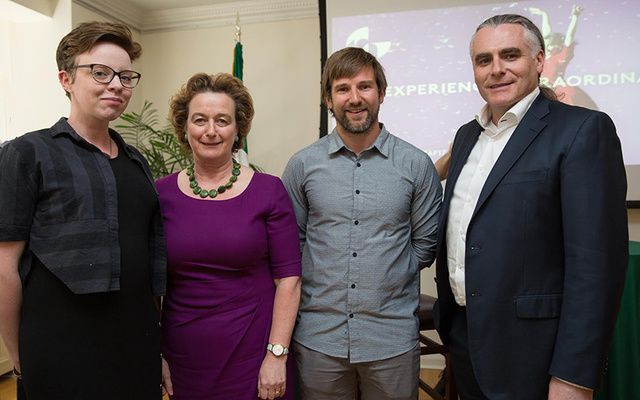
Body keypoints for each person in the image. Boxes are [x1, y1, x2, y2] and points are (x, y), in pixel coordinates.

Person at [433, 14, 628, 400]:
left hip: (536, 354)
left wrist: (574, 375)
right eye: (484, 60)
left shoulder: (582, 130)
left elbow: (596, 266)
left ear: (539, 61)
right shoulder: (467, 135)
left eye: (510, 55)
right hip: (467, 342)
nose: (497, 69)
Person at [0, 21, 166, 399]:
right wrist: (19, 355)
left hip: (135, 346)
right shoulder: (27, 154)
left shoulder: (136, 161)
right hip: (59, 351)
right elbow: (4, 268)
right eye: (100, 73)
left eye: (125, 76)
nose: (116, 85)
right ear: (66, 79)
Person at [282, 47, 442, 400]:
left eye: (365, 87)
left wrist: (384, 278)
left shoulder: (416, 165)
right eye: (342, 89)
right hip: (319, 339)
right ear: (328, 99)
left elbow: (424, 246)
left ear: (381, 93)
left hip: (391, 339)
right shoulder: (302, 166)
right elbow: (293, 242)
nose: (354, 98)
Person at [158, 72, 301, 400]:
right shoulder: (159, 194)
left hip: (254, 352)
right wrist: (159, 353)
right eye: (199, 120)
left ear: (238, 130)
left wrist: (277, 355)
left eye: (222, 120)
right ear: (184, 126)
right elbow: (149, 284)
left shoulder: (269, 191)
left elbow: (289, 281)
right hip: (184, 354)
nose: (210, 131)